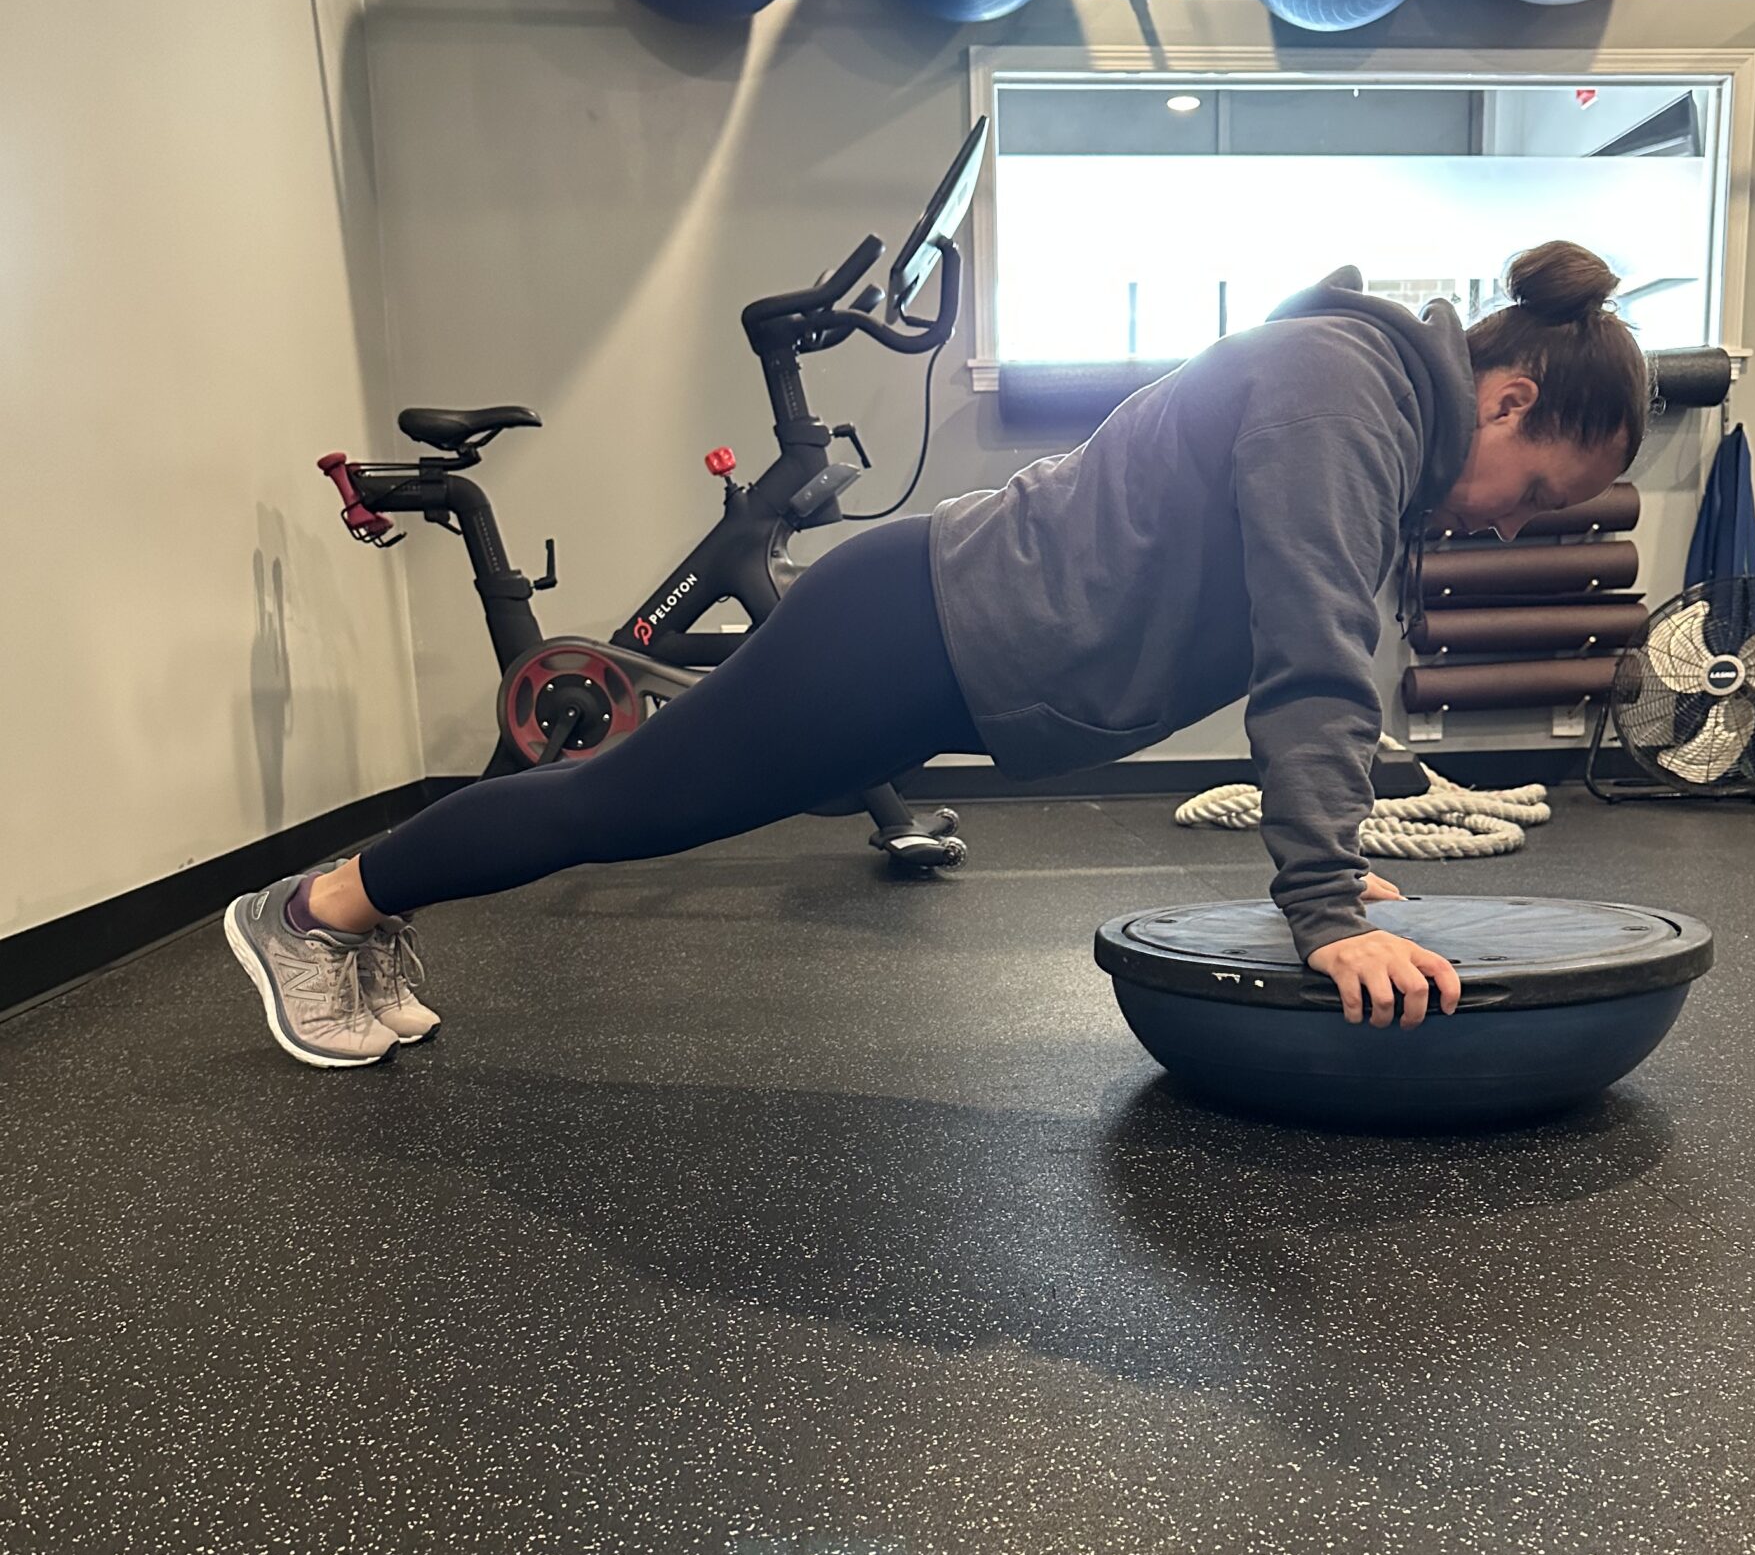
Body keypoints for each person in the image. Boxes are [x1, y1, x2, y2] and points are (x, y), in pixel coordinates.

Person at [226, 241, 1646, 1069]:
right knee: (621, 805)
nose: (1506, 522)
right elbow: (1317, 645)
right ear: (1507, 396)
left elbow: (1340, 641)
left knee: (640, 808)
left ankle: (360, 909)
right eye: (1531, 493)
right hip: (909, 624)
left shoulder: (1376, 424)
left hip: (940, 649)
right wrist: (1325, 904)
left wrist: (1333, 847)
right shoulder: (1349, 395)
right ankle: (318, 909)